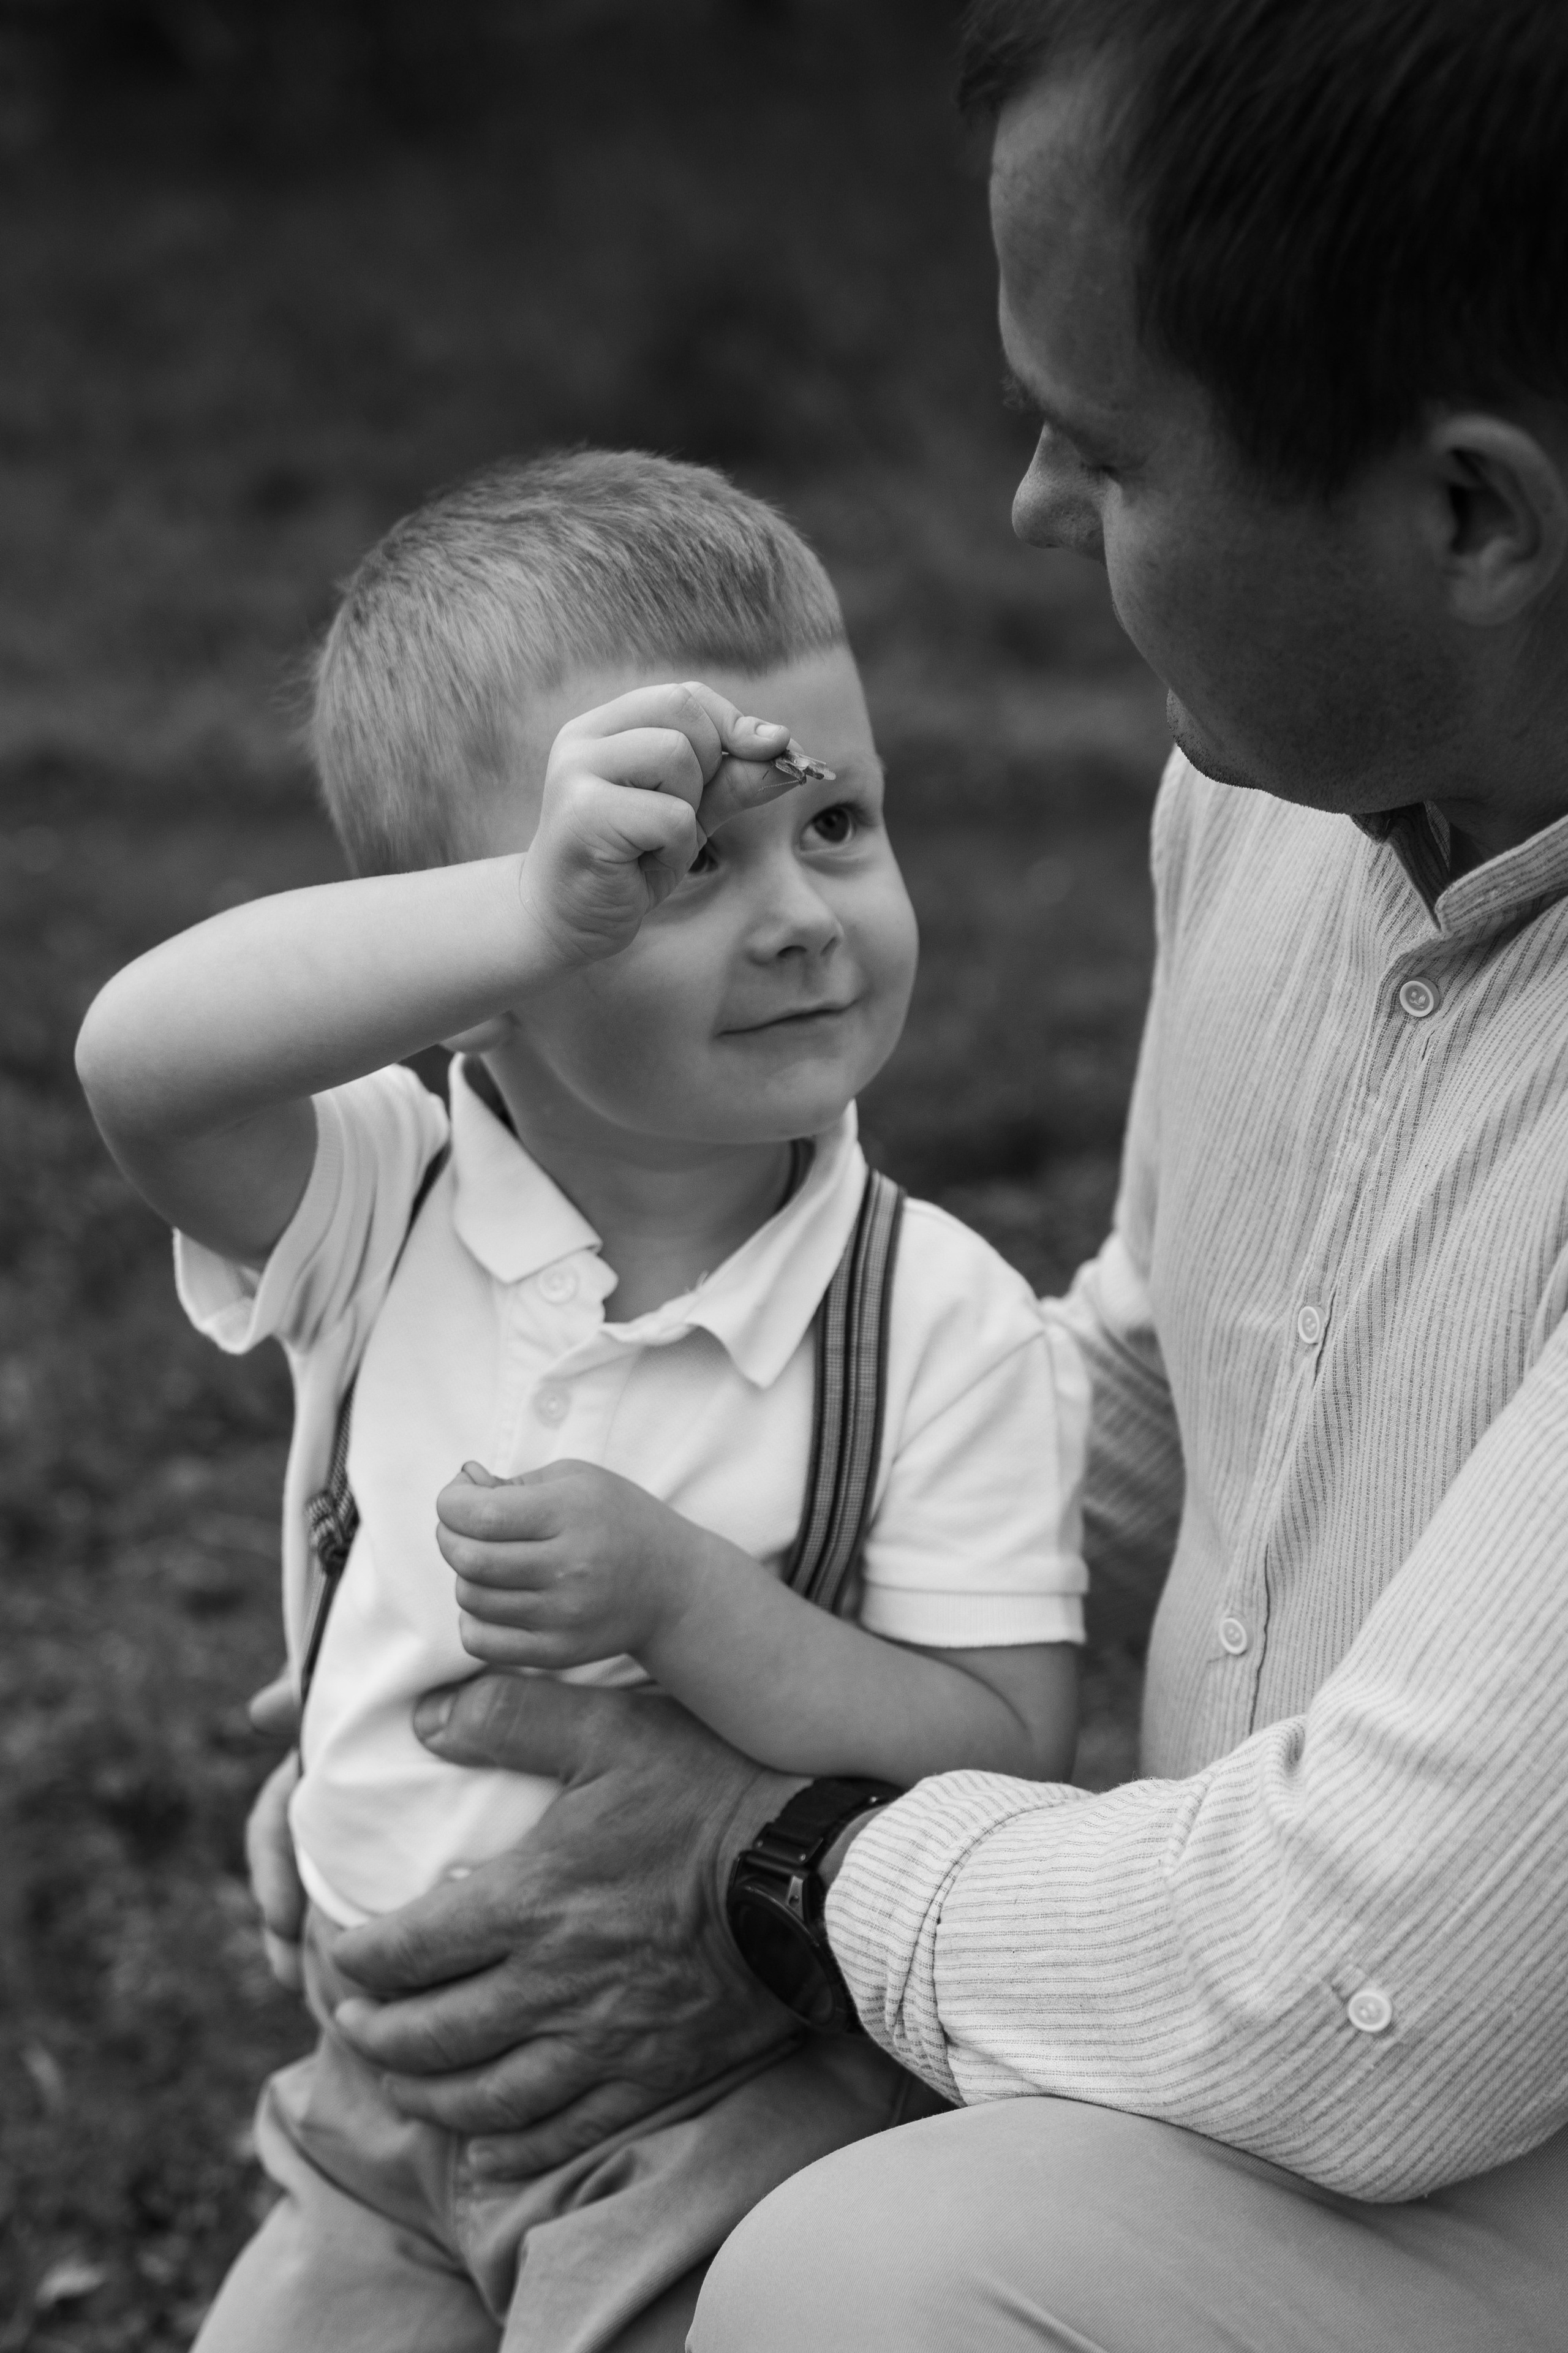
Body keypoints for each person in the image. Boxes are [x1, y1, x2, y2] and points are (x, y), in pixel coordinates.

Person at [235, 1, 1568, 2347]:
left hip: (1475, 2100)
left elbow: (1384, 1979)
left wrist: (759, 1859)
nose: (1033, 511)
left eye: (1104, 444)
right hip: (1239, 1985)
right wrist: (432, 1722)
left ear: (1470, 513)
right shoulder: (1272, 791)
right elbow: (1168, 1367)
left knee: (867, 2284)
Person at [74, 448, 1093, 2352]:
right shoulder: (383, 1202)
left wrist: (684, 1603)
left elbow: (1003, 1737)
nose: (801, 913)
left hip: (729, 2105)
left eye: (842, 823)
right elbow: (139, 1065)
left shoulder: (932, 1310)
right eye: (685, 866)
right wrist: (533, 918)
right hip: (383, 2103)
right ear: (479, 956)